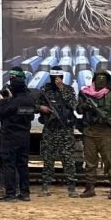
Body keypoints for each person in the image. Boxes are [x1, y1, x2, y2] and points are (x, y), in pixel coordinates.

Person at [77, 71, 111, 199]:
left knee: (110, 161)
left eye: (103, 79)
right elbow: (78, 110)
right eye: (98, 78)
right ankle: (89, 188)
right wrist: (85, 106)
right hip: (89, 132)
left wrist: (107, 120)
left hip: (105, 133)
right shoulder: (86, 93)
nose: (100, 81)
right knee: (90, 162)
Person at [0, 67, 36, 202]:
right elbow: (30, 116)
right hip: (24, 136)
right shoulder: (30, 99)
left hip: (10, 137)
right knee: (23, 165)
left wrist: (2, 101)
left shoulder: (14, 101)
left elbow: (1, 112)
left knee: (9, 165)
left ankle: (11, 193)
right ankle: (25, 193)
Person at [37, 69, 78, 197]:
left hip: (65, 129)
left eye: (59, 77)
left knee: (68, 158)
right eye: (54, 77)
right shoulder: (45, 90)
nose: (56, 79)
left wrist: (62, 89)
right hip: (50, 129)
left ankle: (72, 187)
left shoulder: (69, 89)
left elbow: (74, 105)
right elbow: (34, 104)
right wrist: (40, 108)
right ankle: (45, 186)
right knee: (48, 158)